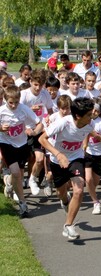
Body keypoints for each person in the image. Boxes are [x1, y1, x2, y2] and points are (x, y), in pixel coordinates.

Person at [39, 97, 99, 240]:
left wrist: (84, 145)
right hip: (57, 160)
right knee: (61, 192)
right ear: (78, 116)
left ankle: (68, 225)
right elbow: (42, 139)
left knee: (78, 189)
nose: (92, 118)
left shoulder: (90, 124)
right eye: (89, 115)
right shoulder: (63, 123)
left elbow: (87, 133)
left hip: (76, 159)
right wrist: (59, 154)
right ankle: (65, 201)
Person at [0, 85, 43, 216]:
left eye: (16, 102)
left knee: (17, 174)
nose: (13, 106)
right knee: (16, 173)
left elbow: (39, 123)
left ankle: (8, 183)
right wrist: (1, 129)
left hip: (22, 144)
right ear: (5, 99)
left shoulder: (24, 109)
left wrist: (34, 132)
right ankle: (23, 205)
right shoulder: (1, 111)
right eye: (10, 103)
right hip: (6, 144)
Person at [20, 69, 54, 196]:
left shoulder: (45, 94)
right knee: (21, 162)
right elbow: (16, 113)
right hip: (23, 130)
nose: (38, 87)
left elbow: (50, 111)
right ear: (30, 82)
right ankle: (14, 187)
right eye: (35, 84)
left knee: (39, 159)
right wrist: (29, 109)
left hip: (39, 130)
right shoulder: (24, 94)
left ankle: (33, 180)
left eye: (40, 84)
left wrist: (48, 118)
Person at [84, 98, 101, 215]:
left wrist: (97, 136)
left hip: (100, 155)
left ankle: (92, 195)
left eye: (96, 111)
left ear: (99, 113)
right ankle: (96, 202)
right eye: (92, 110)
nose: (94, 113)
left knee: (93, 183)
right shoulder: (85, 120)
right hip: (88, 153)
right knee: (88, 179)